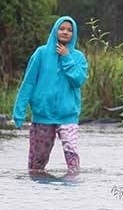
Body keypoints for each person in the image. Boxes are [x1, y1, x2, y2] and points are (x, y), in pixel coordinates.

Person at [12, 16, 88, 174]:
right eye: (62, 29)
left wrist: (67, 57)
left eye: (69, 30)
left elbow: (78, 81)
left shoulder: (79, 57)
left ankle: (72, 192)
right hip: (42, 115)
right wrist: (19, 112)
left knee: (72, 157)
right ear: (55, 30)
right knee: (37, 163)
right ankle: (39, 192)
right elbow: (29, 83)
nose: (65, 32)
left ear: (74, 34)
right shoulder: (41, 53)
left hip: (68, 116)